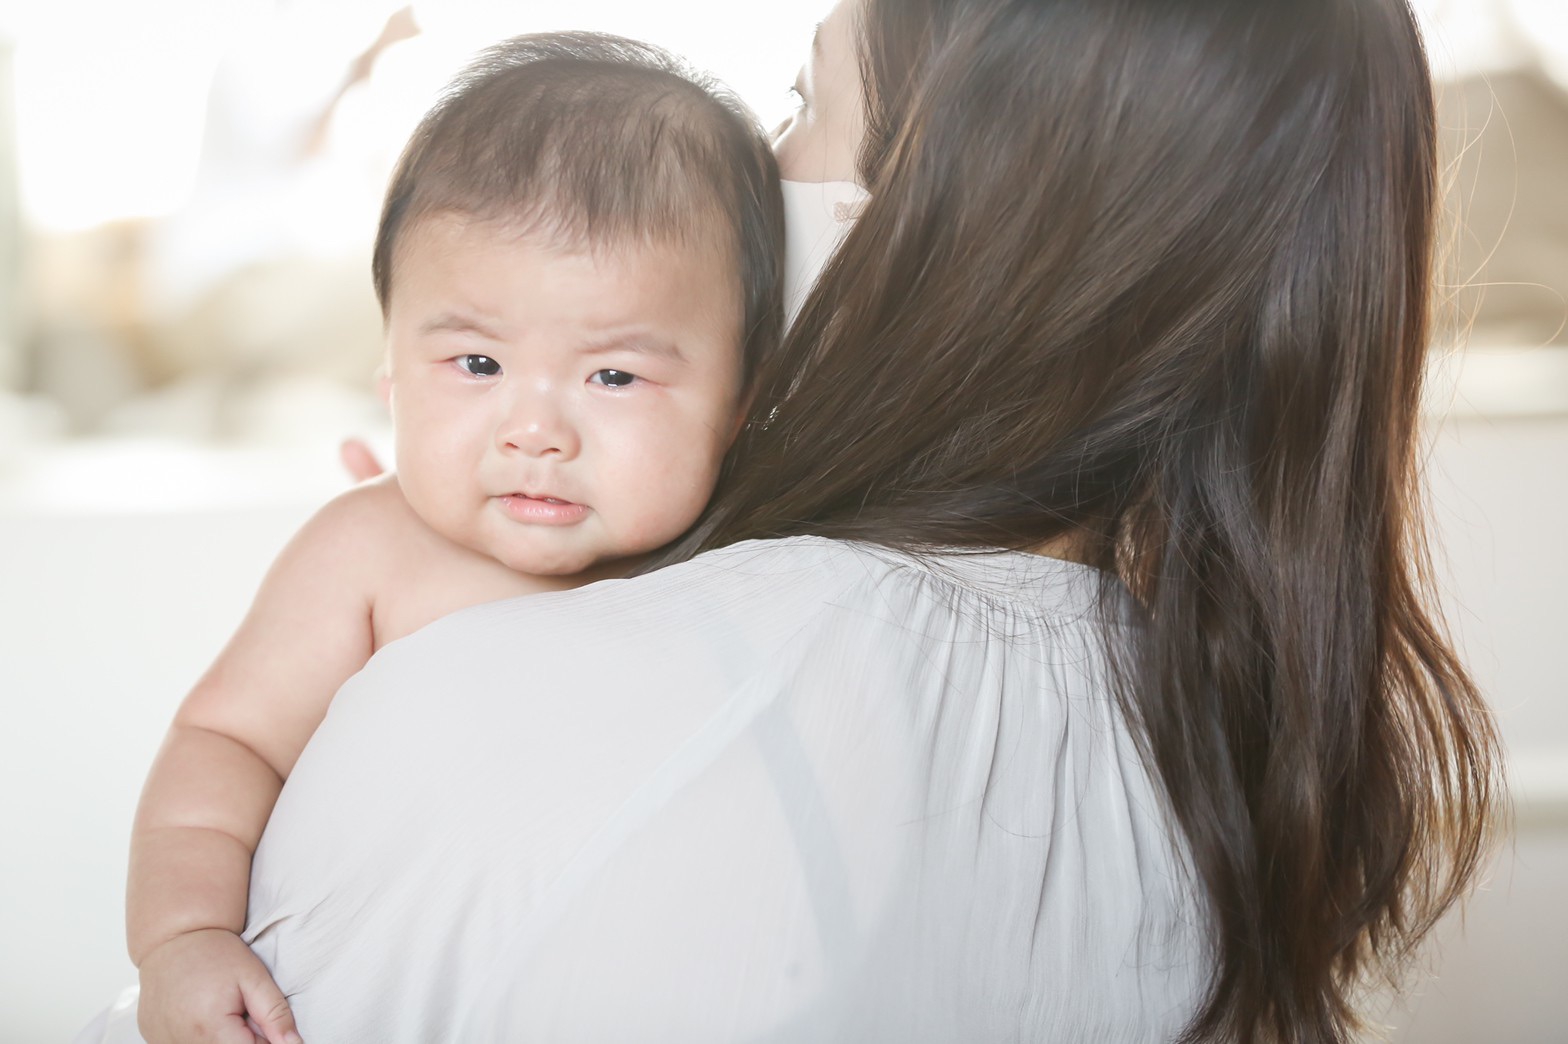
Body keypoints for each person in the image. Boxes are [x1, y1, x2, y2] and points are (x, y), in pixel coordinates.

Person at [96, 0, 1503, 1040]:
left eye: (805, 99)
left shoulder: (493, 717)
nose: (760, 159)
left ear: (955, 221)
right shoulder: (1211, 787)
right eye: (475, 359)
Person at [106, 32, 783, 1044]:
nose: (535, 430)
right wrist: (183, 936)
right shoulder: (369, 552)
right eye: (474, 363)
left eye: (613, 376)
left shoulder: (753, 558)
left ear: (741, 406)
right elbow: (227, 741)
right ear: (390, 383)